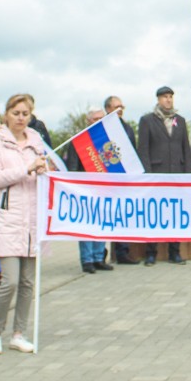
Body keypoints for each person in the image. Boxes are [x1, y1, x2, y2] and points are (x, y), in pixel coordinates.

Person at [0, 94, 55, 355]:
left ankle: (19, 332)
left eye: (26, 113)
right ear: (7, 113)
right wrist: (27, 168)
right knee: (9, 280)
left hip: (32, 220)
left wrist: (44, 169)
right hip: (9, 218)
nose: (21, 118)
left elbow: (43, 171)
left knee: (27, 283)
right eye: (16, 112)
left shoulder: (36, 141)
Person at [136, 86, 191, 266]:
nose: (168, 100)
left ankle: (174, 252)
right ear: (158, 100)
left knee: (174, 214)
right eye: (165, 97)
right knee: (154, 214)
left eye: (170, 97)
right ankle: (151, 252)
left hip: (177, 174)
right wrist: (148, 175)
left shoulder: (180, 120)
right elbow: (143, 149)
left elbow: (186, 148)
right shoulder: (147, 120)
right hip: (156, 174)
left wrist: (187, 174)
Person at [67, 108, 112, 273]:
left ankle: (99, 257)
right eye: (95, 119)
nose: (98, 121)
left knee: (102, 223)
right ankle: (87, 260)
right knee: (87, 225)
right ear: (88, 121)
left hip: (103, 189)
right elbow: (72, 167)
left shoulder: (107, 140)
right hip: (85, 189)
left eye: (101, 118)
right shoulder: (78, 140)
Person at [103, 95, 141, 264]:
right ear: (108, 109)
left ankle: (123, 251)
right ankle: (99, 254)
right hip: (104, 179)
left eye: (122, 107)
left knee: (122, 215)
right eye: (117, 107)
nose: (120, 110)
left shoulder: (127, 129)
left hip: (123, 179)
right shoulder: (100, 128)